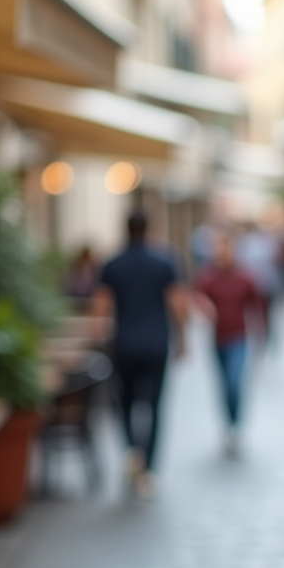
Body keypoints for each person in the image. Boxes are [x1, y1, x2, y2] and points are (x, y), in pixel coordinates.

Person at [94, 210, 187, 499]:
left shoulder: (112, 264)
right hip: (156, 345)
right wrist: (182, 338)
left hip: (123, 346)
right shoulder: (164, 261)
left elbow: (101, 309)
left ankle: (132, 452)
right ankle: (147, 467)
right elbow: (177, 304)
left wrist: (99, 341)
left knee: (125, 405)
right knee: (155, 407)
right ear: (149, 229)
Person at [194, 232, 263, 456]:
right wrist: (203, 306)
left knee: (235, 382)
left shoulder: (245, 277)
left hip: (239, 339)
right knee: (224, 385)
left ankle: (236, 425)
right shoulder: (208, 277)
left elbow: (257, 304)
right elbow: (195, 297)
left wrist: (262, 333)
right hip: (217, 340)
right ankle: (229, 426)